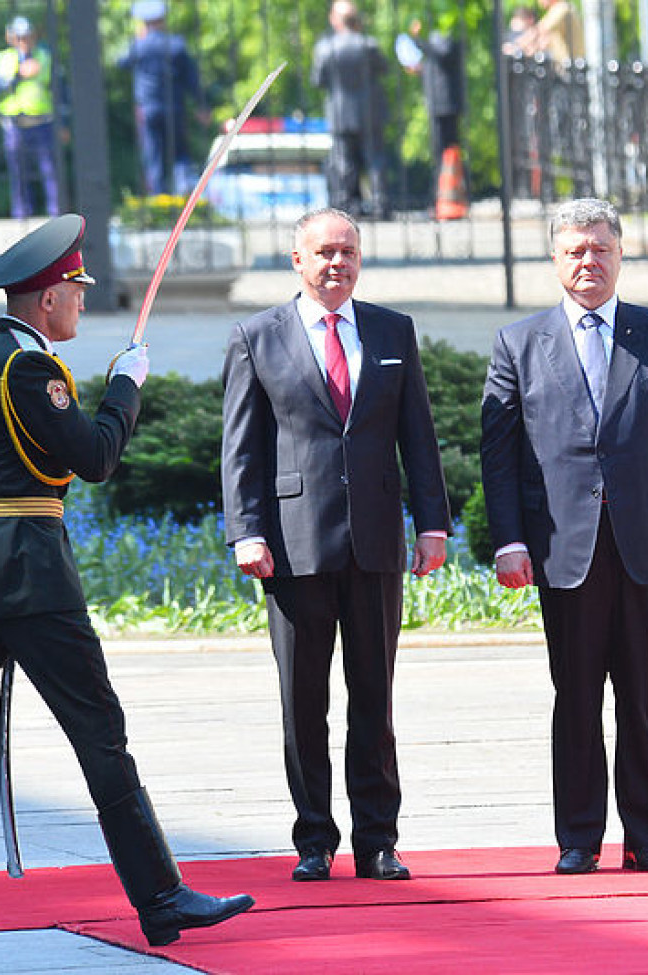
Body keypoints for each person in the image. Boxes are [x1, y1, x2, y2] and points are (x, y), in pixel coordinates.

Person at [0, 214, 253, 962]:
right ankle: (161, 897)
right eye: (74, 289)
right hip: (32, 573)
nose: (80, 303)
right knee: (101, 733)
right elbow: (95, 457)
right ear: (45, 299)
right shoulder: (32, 370)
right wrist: (126, 387)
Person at [479, 198, 648, 876]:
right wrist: (509, 540)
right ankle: (578, 837)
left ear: (620, 254)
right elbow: (499, 455)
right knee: (576, 694)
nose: (589, 261)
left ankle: (646, 835)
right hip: (563, 549)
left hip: (645, 540)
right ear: (555, 260)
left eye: (600, 249)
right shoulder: (518, 344)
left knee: (642, 692)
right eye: (575, 251)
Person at [221, 208, 451, 884]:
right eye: (323, 252)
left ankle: (378, 839)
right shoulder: (256, 336)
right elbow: (240, 448)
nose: (336, 263)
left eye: (348, 251)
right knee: (303, 701)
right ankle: (314, 840)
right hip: (293, 547)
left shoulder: (391, 331)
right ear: (296, 258)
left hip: (376, 543)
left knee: (374, 698)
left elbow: (420, 437)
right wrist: (247, 530)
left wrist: (431, 522)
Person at [312, 1, 391, 219]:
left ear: (335, 20)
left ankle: (346, 206)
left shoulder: (326, 47)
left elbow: (318, 80)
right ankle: (380, 205)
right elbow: (384, 68)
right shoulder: (368, 44)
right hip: (369, 112)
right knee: (375, 160)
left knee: (343, 162)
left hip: (340, 113)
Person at [117, 1, 205, 196]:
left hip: (148, 109)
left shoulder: (139, 46)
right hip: (175, 108)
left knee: (154, 155)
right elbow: (192, 79)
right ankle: (183, 189)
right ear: (163, 20)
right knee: (180, 152)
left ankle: (159, 198)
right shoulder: (177, 44)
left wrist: (138, 40)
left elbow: (120, 62)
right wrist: (201, 106)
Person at [0, 16, 61, 220]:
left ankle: (56, 212)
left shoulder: (45, 56)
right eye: (19, 37)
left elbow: (58, 90)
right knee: (18, 171)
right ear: (10, 37)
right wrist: (20, 74)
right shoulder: (3, 59)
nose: (24, 41)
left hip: (42, 122)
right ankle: (22, 213)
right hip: (14, 124)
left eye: (27, 36)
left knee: (50, 170)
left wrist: (63, 123)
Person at [405, 19, 465, 193]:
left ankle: (451, 193)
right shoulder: (433, 38)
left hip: (446, 104)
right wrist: (420, 69)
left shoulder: (444, 32)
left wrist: (417, 40)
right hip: (437, 104)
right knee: (439, 151)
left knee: (449, 149)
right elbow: (437, 64)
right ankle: (443, 193)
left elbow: (442, 54)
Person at [515, 0, 585, 65]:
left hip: (572, 66)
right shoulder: (556, 9)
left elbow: (539, 30)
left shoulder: (561, 8)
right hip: (567, 64)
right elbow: (544, 40)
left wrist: (516, 46)